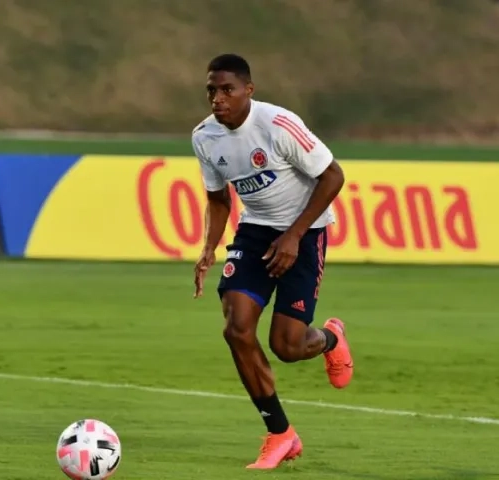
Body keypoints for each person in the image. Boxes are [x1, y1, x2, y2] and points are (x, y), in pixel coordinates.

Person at [191, 53, 354, 470]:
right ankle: (280, 433)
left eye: (227, 89)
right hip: (256, 230)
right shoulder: (205, 138)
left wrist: (295, 236)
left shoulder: (278, 125)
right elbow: (217, 198)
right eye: (212, 90)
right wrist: (209, 248)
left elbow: (333, 175)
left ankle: (331, 338)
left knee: (287, 346)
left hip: (307, 228)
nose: (217, 98)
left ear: (249, 89)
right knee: (237, 326)